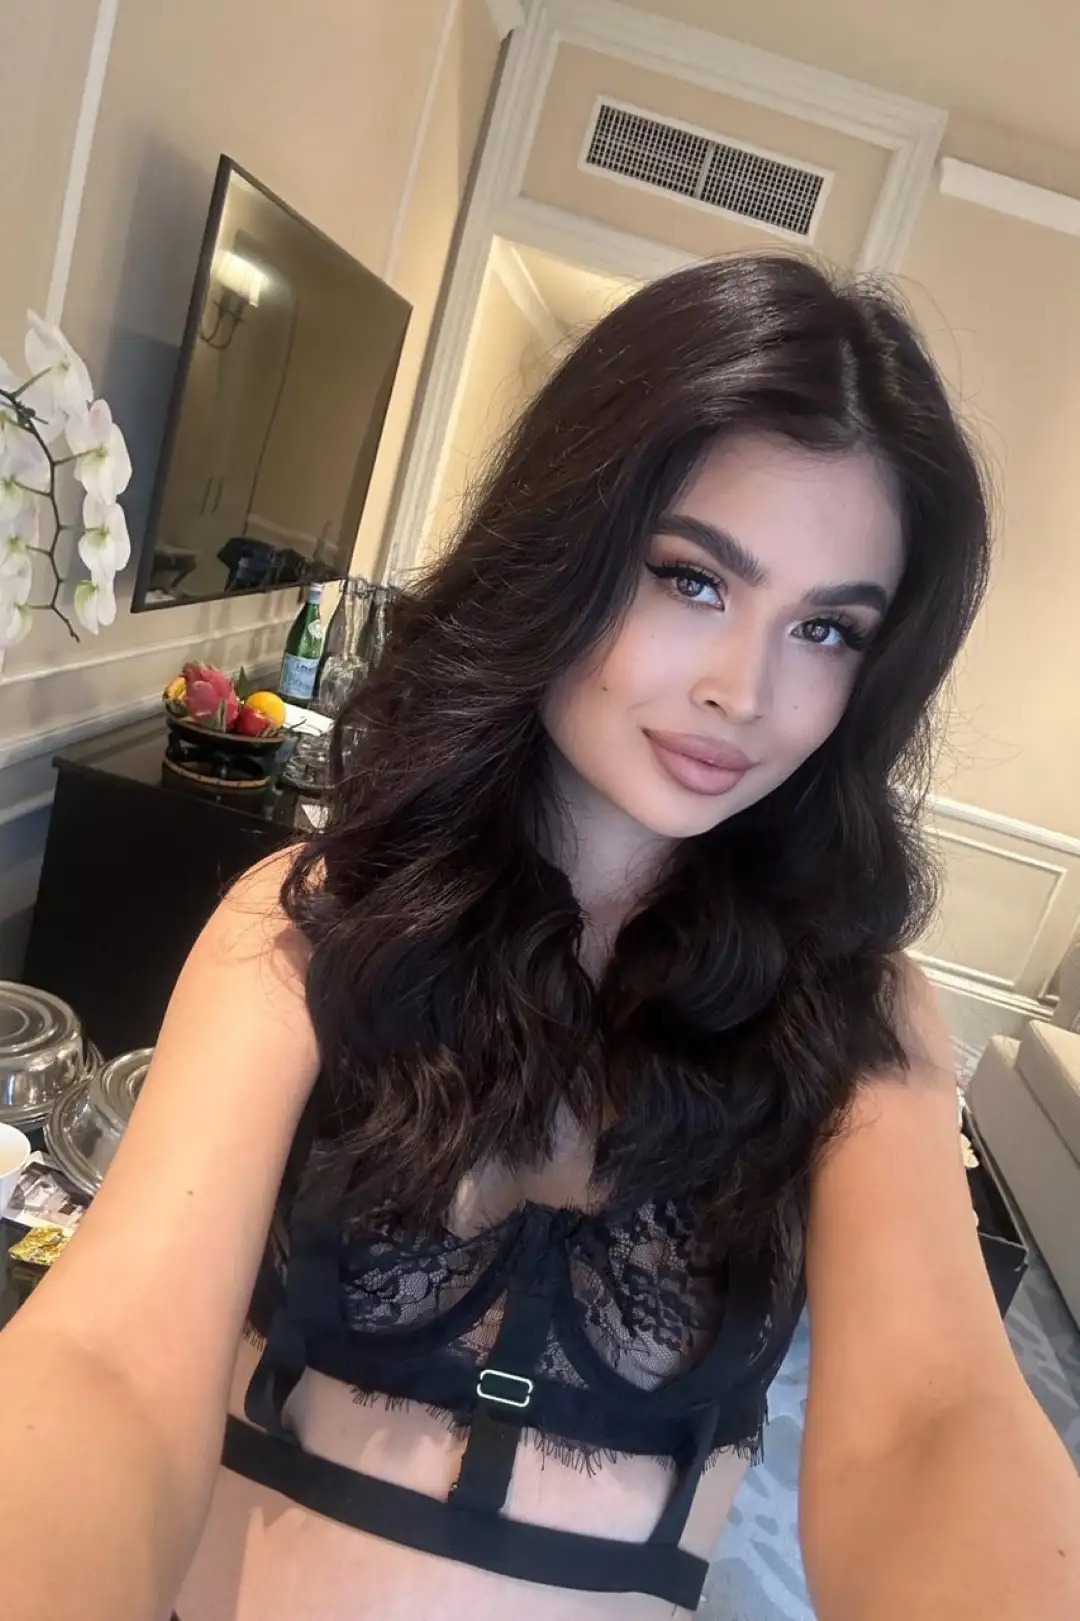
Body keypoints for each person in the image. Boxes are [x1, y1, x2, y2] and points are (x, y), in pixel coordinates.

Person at [3, 254, 1079, 1621]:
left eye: (824, 627)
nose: (745, 691)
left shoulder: (854, 1010)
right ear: (565, 547)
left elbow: (934, 1422)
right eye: (693, 579)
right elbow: (111, 1360)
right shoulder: (312, 924)